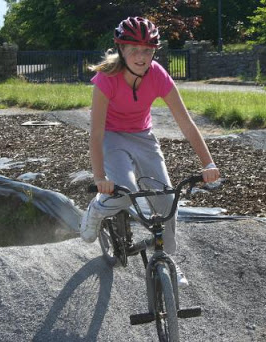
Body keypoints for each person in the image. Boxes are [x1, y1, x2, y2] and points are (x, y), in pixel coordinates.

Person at [80, 16, 220, 287]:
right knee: (124, 194)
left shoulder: (157, 75)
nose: (141, 56)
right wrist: (99, 177)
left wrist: (208, 163)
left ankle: (166, 259)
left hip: (143, 137)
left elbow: (186, 124)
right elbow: (96, 133)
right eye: (133, 49)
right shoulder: (106, 79)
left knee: (167, 201)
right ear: (121, 49)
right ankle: (97, 209)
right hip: (112, 137)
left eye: (147, 50)